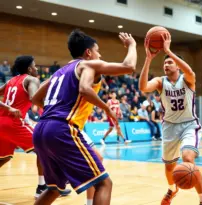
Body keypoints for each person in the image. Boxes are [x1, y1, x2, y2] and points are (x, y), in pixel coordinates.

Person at [31, 29, 137, 205]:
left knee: (54, 188)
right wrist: (132, 45)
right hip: (62, 128)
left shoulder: (58, 73)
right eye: (98, 50)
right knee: (104, 183)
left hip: (42, 129)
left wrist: (53, 109)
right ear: (88, 52)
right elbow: (129, 67)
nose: (99, 54)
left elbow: (35, 98)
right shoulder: (87, 65)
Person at [139, 33, 202, 205]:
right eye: (164, 63)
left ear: (177, 66)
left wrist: (169, 51)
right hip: (169, 126)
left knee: (187, 158)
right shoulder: (160, 82)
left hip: (188, 125)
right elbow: (143, 87)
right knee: (169, 167)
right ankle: (172, 189)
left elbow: (191, 71)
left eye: (169, 62)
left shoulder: (187, 80)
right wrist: (148, 59)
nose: (166, 64)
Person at [0, 56, 71, 198]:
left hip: (1, 123)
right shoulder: (31, 80)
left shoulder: (11, 81)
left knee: (4, 158)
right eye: (34, 66)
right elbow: (34, 98)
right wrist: (52, 111)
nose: (36, 68)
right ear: (29, 69)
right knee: (45, 147)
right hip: (15, 123)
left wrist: (7, 107)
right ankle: (43, 187)